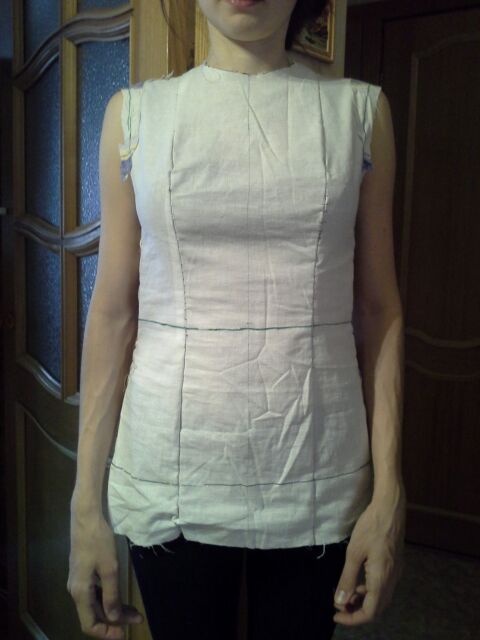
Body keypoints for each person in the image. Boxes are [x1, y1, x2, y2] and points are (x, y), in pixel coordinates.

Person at [67, 0, 406, 638]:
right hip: (168, 477)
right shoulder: (133, 117)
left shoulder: (360, 115)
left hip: (320, 478)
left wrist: (389, 492)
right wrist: (85, 500)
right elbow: (113, 311)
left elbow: (378, 309)